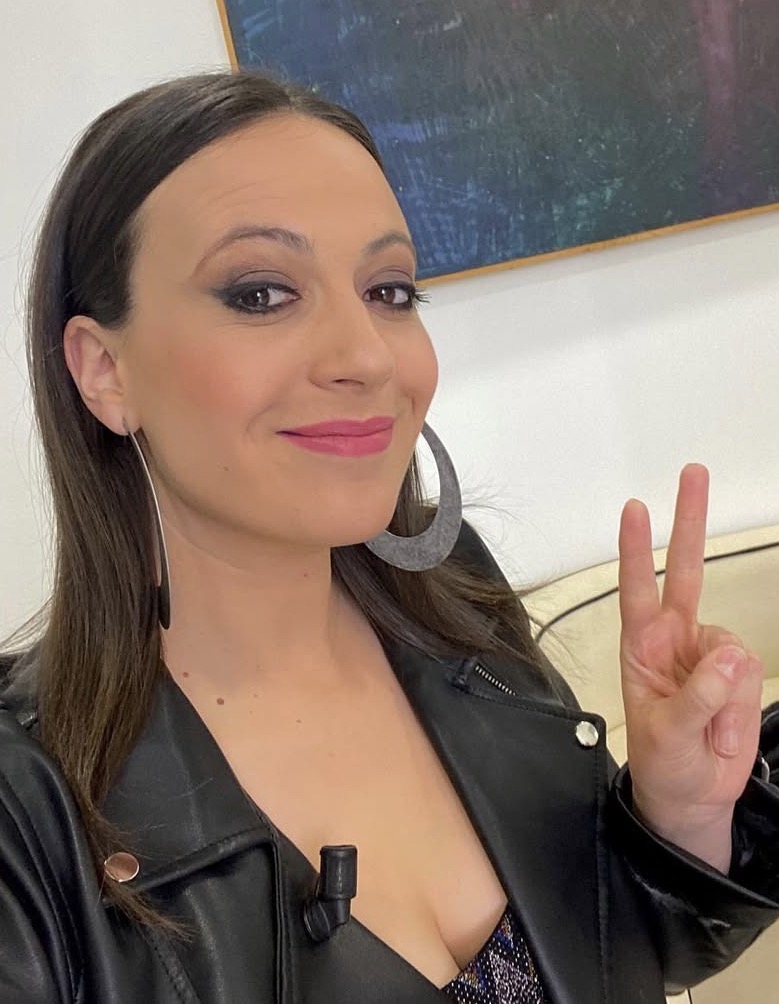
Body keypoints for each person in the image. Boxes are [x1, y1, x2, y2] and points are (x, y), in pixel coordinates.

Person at [0, 71, 776, 1004]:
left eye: (389, 290)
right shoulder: (25, 811)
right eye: (261, 293)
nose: (367, 356)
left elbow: (606, 954)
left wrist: (680, 816)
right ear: (103, 370)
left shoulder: (456, 609)